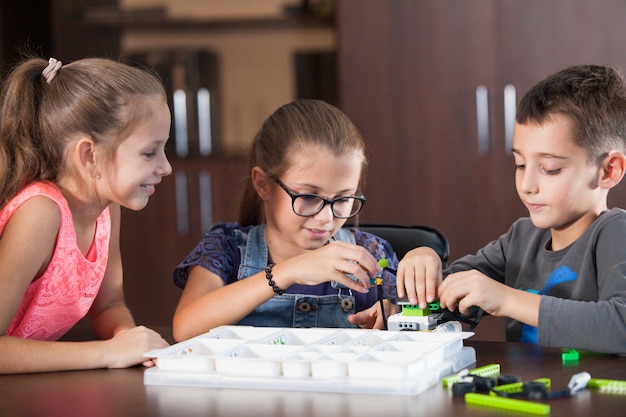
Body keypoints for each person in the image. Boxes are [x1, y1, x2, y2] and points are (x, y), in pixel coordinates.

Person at [397, 64, 626, 354]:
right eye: (519, 164)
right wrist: (424, 261)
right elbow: (453, 294)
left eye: (550, 169)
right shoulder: (521, 237)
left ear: (608, 170)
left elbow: (621, 325)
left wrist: (506, 299)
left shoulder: (615, 234)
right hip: (528, 394)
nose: (527, 184)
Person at [172, 99, 399, 341]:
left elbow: (416, 322)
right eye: (309, 196)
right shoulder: (225, 249)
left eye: (343, 199)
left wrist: (395, 316)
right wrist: (288, 271)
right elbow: (185, 329)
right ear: (263, 185)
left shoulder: (372, 254)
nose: (326, 217)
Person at [0, 56, 172, 373]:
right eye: (150, 152)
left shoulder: (107, 208)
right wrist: (107, 353)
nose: (165, 167)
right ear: (89, 155)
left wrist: (128, 340)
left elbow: (109, 305)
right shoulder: (41, 213)